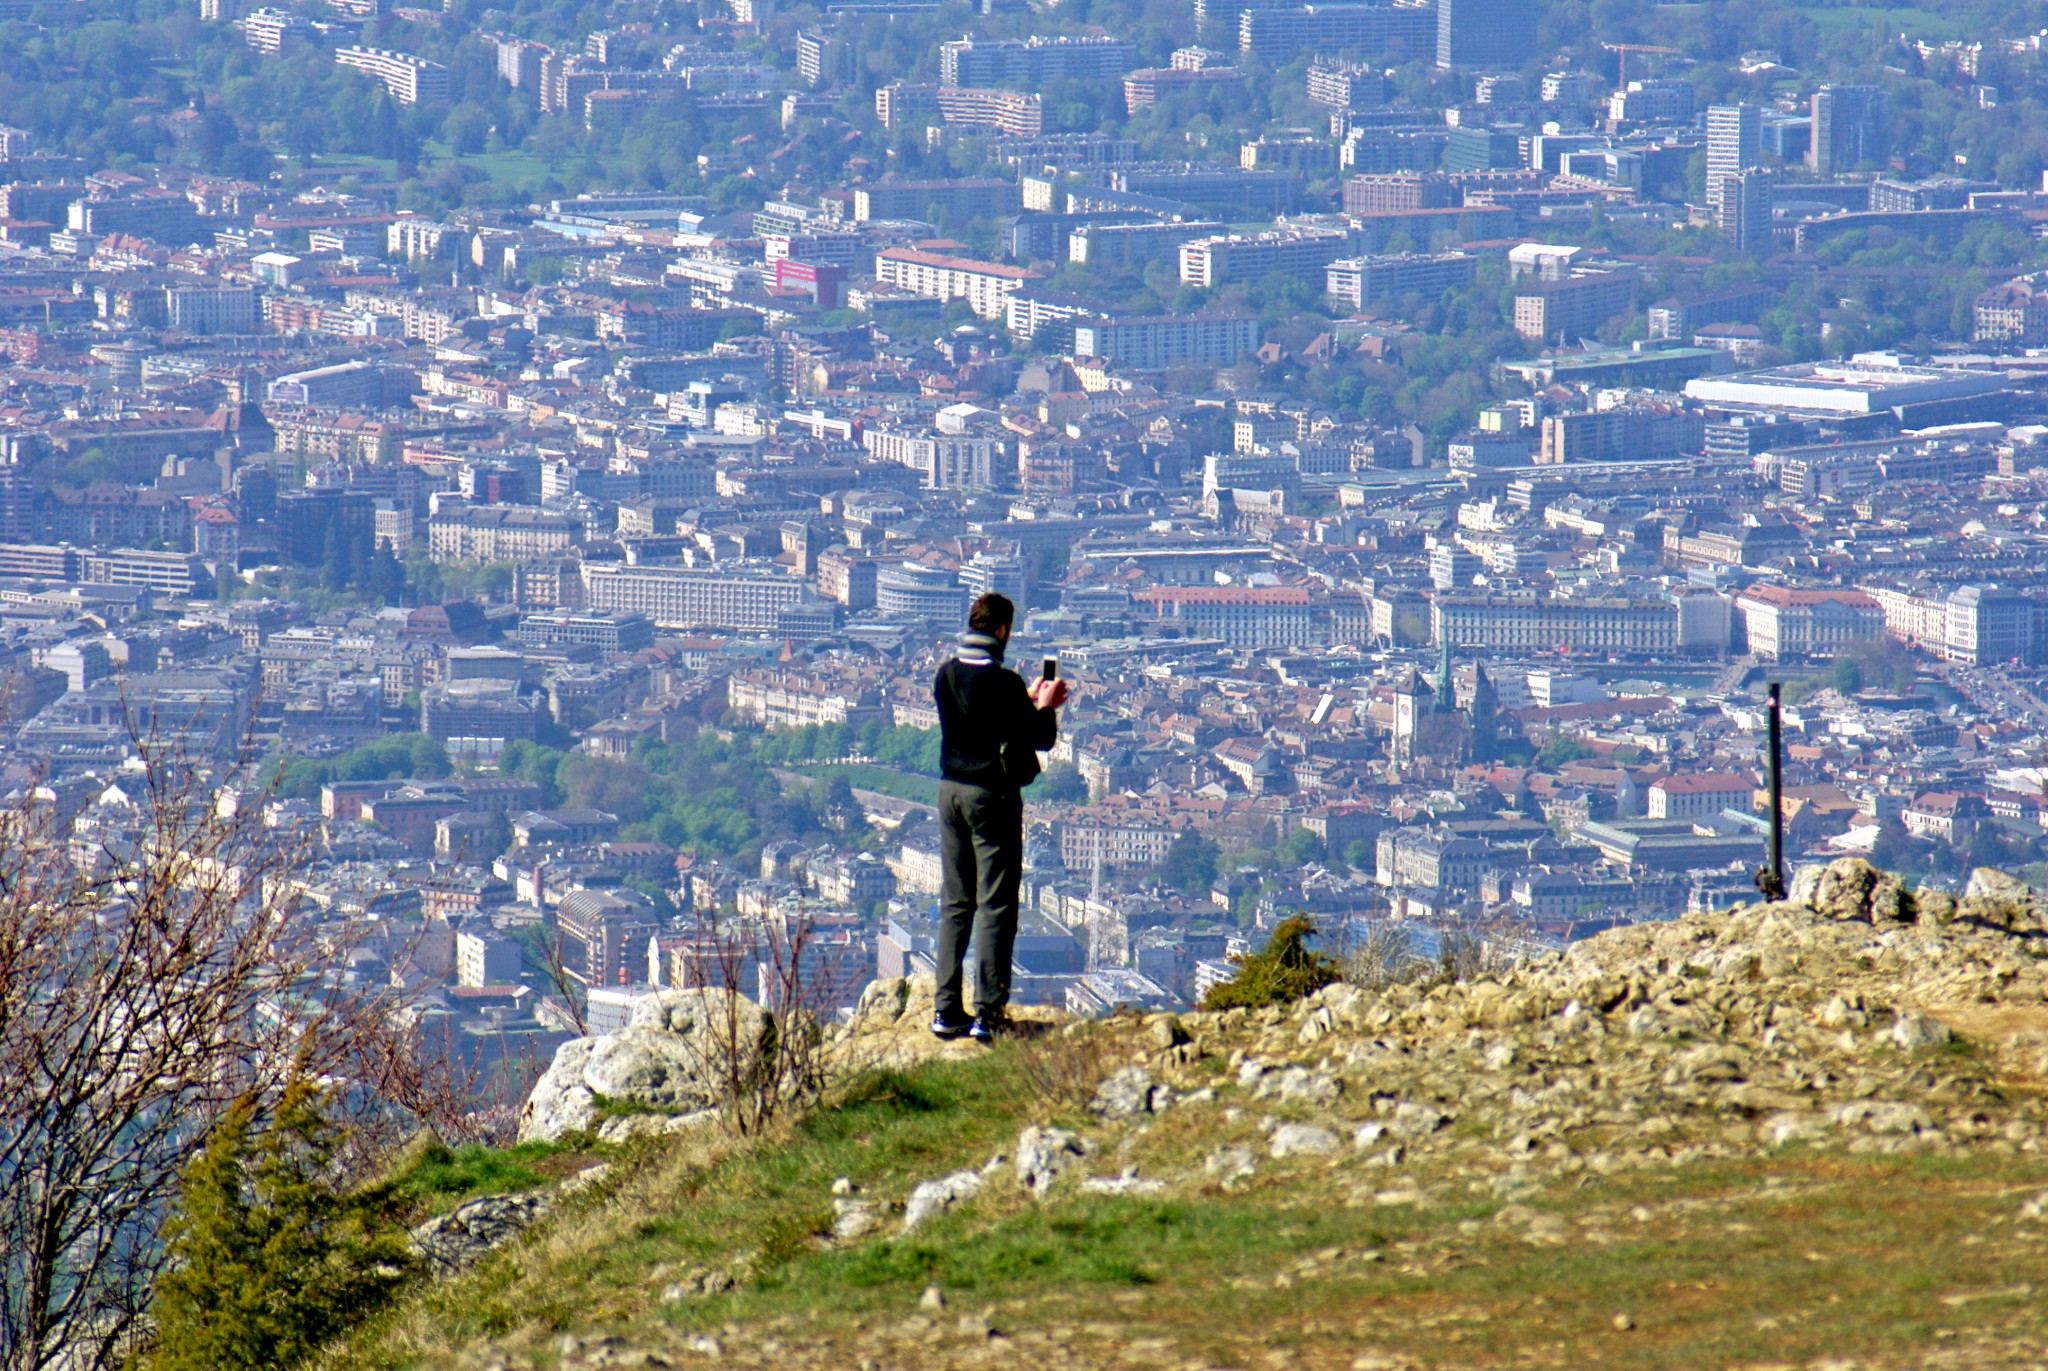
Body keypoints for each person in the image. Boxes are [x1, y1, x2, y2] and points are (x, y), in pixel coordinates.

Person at [930, 592, 1068, 1042]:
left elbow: (980, 722)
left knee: (956, 902)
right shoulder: (1003, 682)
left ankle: (946, 1010)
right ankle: (988, 1014)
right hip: (991, 797)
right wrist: (1045, 705)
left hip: (949, 792)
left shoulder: (945, 674)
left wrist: (1024, 701)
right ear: (1003, 631)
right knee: (995, 904)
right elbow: (1041, 738)